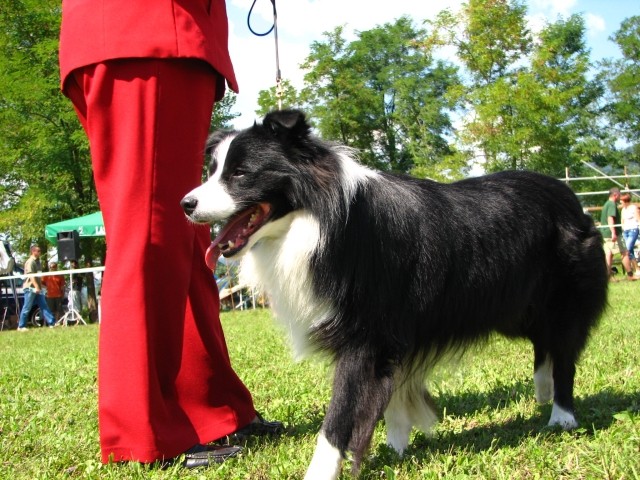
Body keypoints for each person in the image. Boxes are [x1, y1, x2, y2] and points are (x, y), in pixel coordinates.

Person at [58, 0, 282, 468]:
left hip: (155, 36)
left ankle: (214, 408)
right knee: (150, 235)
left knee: (182, 236)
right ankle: (144, 433)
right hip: (147, 31)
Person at [17, 245, 56, 331]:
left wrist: (42, 286)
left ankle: (52, 323)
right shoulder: (30, 262)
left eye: (40, 251)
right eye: (38, 251)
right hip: (30, 288)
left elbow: (38, 276)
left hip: (38, 289)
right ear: (33, 251)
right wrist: (37, 287)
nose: (39, 253)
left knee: (44, 305)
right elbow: (31, 276)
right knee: (27, 307)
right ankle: (21, 326)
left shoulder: (38, 262)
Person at [601, 187, 634, 280]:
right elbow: (610, 218)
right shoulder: (611, 204)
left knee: (609, 254)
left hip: (605, 233)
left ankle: (608, 276)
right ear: (615, 195)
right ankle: (630, 275)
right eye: (619, 195)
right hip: (612, 233)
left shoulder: (606, 204)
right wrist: (613, 232)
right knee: (624, 252)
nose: (620, 196)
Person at [620, 193, 640, 276]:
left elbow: (638, 218)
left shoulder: (634, 208)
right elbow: (622, 220)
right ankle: (637, 269)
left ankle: (636, 269)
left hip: (633, 230)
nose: (620, 203)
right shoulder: (623, 210)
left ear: (625, 201)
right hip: (626, 231)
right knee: (630, 250)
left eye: (621, 201)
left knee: (627, 249)